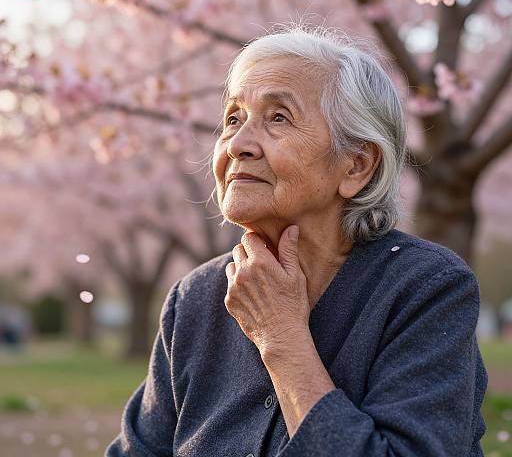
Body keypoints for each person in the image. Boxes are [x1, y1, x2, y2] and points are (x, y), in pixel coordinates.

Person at [106, 25, 488, 456]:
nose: (238, 145)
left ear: (356, 166)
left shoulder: (426, 287)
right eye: (233, 119)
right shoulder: (195, 298)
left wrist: (282, 339)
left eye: (278, 118)